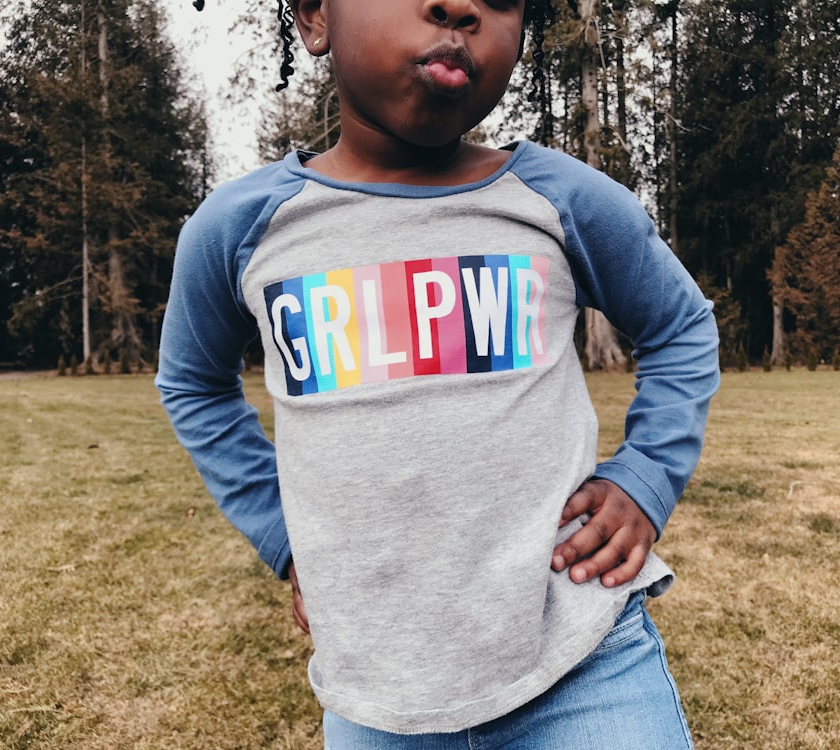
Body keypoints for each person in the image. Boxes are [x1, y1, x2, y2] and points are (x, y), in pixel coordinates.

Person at [156, 0, 720, 746]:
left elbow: (681, 325)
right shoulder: (240, 228)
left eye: (501, 0)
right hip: (378, 696)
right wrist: (282, 532)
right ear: (316, 18)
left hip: (583, 660)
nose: (459, 7)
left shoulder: (561, 201)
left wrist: (646, 477)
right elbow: (193, 383)